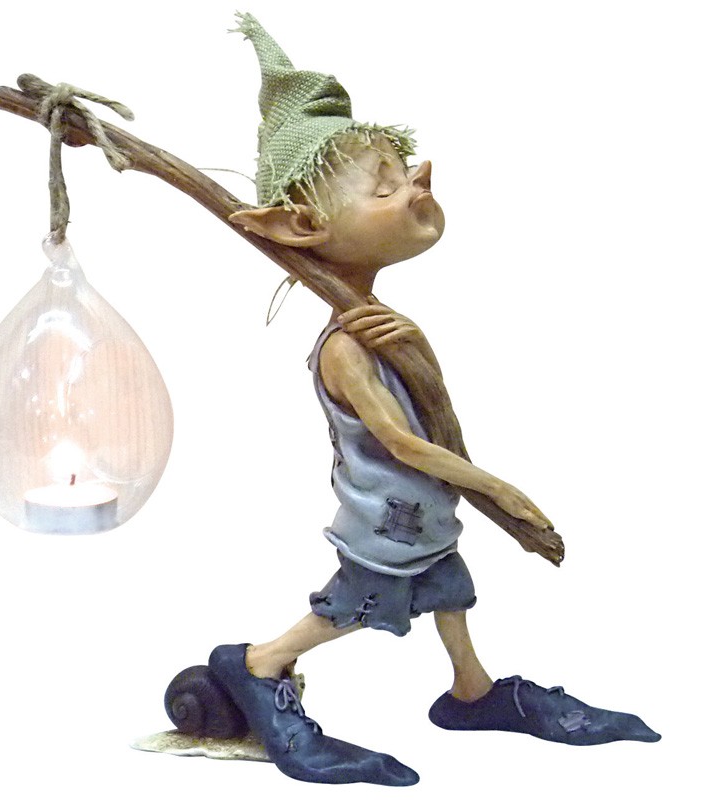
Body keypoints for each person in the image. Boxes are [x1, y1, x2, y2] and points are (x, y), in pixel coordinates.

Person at [204, 13, 660, 787]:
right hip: (385, 527)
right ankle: (257, 663)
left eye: (404, 169)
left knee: (450, 590)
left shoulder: (381, 327)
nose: (417, 181)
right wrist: (498, 489)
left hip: (426, 518)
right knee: (352, 608)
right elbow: (403, 443)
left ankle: (471, 691)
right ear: (302, 227)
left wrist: (415, 345)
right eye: (384, 184)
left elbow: (429, 409)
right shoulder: (347, 348)